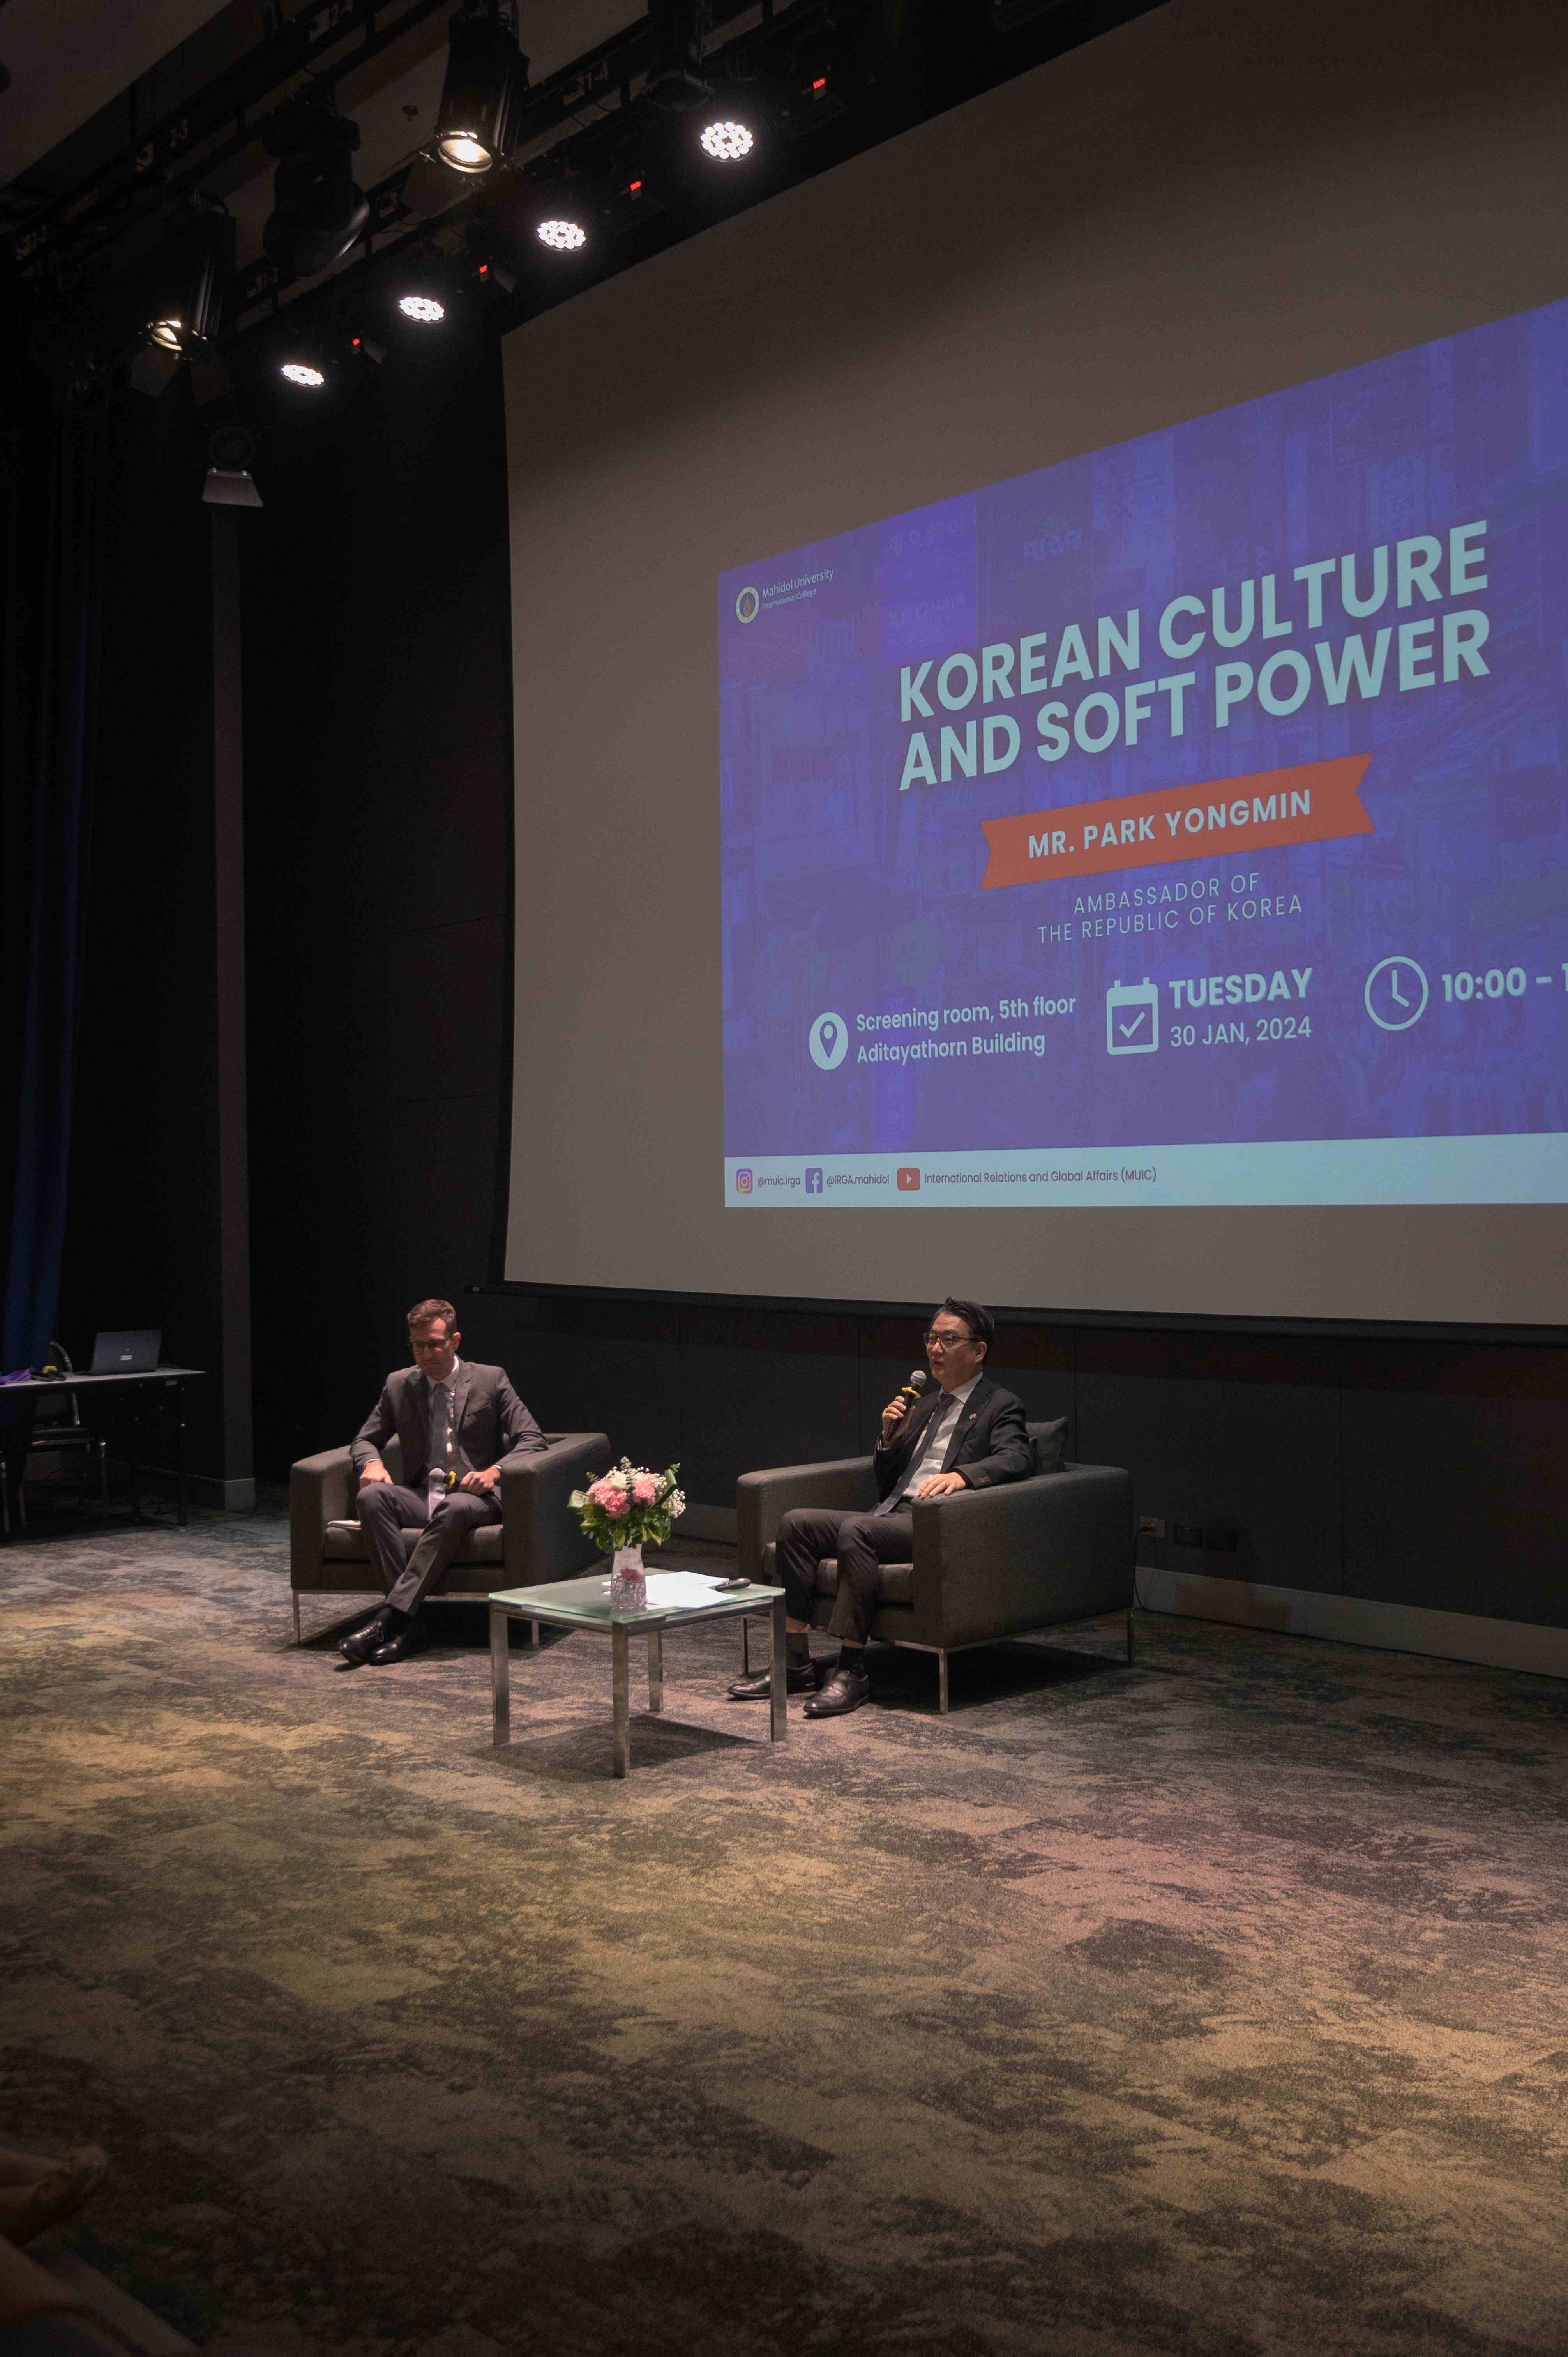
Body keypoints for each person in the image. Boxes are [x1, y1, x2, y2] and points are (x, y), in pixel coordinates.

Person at [729, 1298, 1035, 1719]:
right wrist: (890, 1439)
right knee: (796, 1524)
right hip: (891, 1514)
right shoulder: (923, 1405)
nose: (936, 1349)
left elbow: (1016, 1458)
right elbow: (889, 1481)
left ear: (978, 1350)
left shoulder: (1000, 1404)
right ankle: (794, 1663)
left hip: (936, 1522)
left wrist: (963, 1477)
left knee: (858, 1530)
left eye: (949, 1340)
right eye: (932, 1338)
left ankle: (852, 1670)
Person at [342, 1299, 546, 1666]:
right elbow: (364, 1440)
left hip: (477, 1496)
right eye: (417, 1345)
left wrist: (495, 1472)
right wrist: (372, 1462)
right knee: (372, 1498)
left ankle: (388, 1620)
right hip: (424, 1494)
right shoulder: (399, 1384)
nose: (426, 1354)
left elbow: (532, 1438)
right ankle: (411, 1626)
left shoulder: (490, 1379)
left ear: (455, 1340)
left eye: (435, 1344)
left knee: (454, 1505)